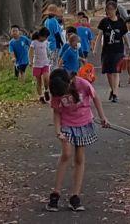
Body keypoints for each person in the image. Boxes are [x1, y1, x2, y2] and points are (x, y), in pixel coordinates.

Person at [47, 67, 110, 212]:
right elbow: (56, 112)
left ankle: (75, 196)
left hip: (84, 123)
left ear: (69, 82)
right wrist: (58, 132)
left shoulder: (82, 84)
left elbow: (95, 98)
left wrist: (103, 117)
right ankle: (55, 194)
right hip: (67, 125)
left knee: (79, 158)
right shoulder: (56, 89)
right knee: (66, 154)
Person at [95, 0, 128, 103]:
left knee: (116, 71)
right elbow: (99, 35)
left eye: (111, 9)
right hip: (107, 50)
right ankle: (113, 89)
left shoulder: (121, 22)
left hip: (118, 50)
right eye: (107, 9)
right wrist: (95, 48)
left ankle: (115, 93)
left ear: (115, 10)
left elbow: (125, 36)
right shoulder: (104, 22)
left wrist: (129, 48)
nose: (109, 11)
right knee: (109, 72)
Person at [31, 28, 52, 102]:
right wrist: (30, 62)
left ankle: (46, 90)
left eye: (46, 37)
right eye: (45, 37)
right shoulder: (34, 42)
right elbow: (30, 52)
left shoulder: (45, 42)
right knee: (38, 81)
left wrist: (50, 57)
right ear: (40, 36)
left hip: (45, 63)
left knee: (47, 78)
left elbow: (47, 51)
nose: (45, 39)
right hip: (37, 64)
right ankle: (41, 96)